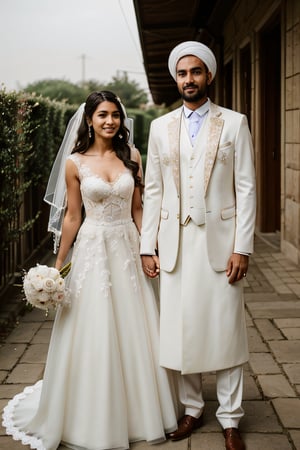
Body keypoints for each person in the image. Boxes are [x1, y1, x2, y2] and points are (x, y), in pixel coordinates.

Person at [2, 91, 179, 450]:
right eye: (102, 115)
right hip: (93, 247)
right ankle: (91, 411)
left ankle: (142, 406)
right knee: (94, 325)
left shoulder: (132, 156)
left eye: (115, 114)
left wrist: (150, 248)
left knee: (137, 325)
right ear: (89, 120)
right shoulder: (75, 162)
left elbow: (139, 208)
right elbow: (72, 216)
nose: (110, 121)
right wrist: (58, 264)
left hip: (128, 247)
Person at [140, 42, 256, 450]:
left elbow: (246, 187)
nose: (189, 79)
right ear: (177, 78)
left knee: (225, 329)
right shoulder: (160, 127)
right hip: (173, 243)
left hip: (220, 245)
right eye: (183, 74)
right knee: (181, 328)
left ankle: (230, 418)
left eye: (196, 72)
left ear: (209, 75)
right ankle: (191, 409)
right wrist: (146, 246)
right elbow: (152, 190)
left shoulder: (235, 123)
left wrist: (243, 247)